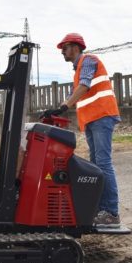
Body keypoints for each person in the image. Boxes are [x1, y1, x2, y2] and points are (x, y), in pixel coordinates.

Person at [42, 33, 121, 228]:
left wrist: (65, 107)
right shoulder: (77, 70)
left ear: (76, 47)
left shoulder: (88, 61)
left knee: (103, 163)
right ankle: (101, 209)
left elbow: (84, 86)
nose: (62, 52)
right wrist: (56, 109)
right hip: (93, 120)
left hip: (102, 116)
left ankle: (111, 213)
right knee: (97, 164)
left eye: (65, 47)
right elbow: (73, 93)